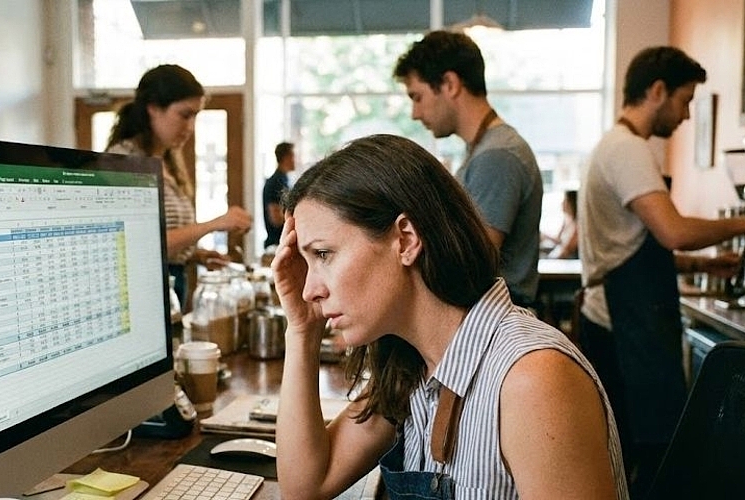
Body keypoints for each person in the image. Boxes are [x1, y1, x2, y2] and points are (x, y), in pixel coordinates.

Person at [273, 134, 628, 499]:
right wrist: (302, 330)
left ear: (406, 240)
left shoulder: (533, 380)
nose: (309, 289)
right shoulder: (412, 368)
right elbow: (306, 486)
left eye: (324, 254)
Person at [578, 46, 745, 497]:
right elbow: (672, 232)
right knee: (653, 452)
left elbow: (635, 244)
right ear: (657, 91)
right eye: (685, 100)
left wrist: (708, 263)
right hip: (626, 323)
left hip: (615, 313)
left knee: (629, 450)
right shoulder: (629, 150)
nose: (687, 114)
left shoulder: (612, 145)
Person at [393, 30, 542, 307]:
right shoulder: (483, 150)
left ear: (449, 84)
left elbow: (470, 264)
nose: (415, 113)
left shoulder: (497, 156)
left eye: (417, 97)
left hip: (496, 319)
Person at [106, 64, 251, 307]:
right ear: (153, 108)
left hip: (173, 284)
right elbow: (141, 242)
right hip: (142, 292)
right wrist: (215, 224)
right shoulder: (125, 161)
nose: (191, 127)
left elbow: (165, 244)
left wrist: (195, 255)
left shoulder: (168, 162)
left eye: (196, 116)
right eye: (185, 115)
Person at [262, 142, 296, 249]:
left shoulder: (284, 180)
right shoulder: (275, 183)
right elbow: (275, 218)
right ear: (286, 158)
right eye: (293, 156)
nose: (295, 160)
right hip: (277, 244)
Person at [541, 189, 579, 259]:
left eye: (565, 200)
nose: (562, 203)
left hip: (567, 260)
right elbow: (559, 240)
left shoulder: (577, 226)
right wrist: (545, 236)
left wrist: (549, 258)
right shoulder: (566, 221)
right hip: (559, 255)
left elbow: (567, 249)